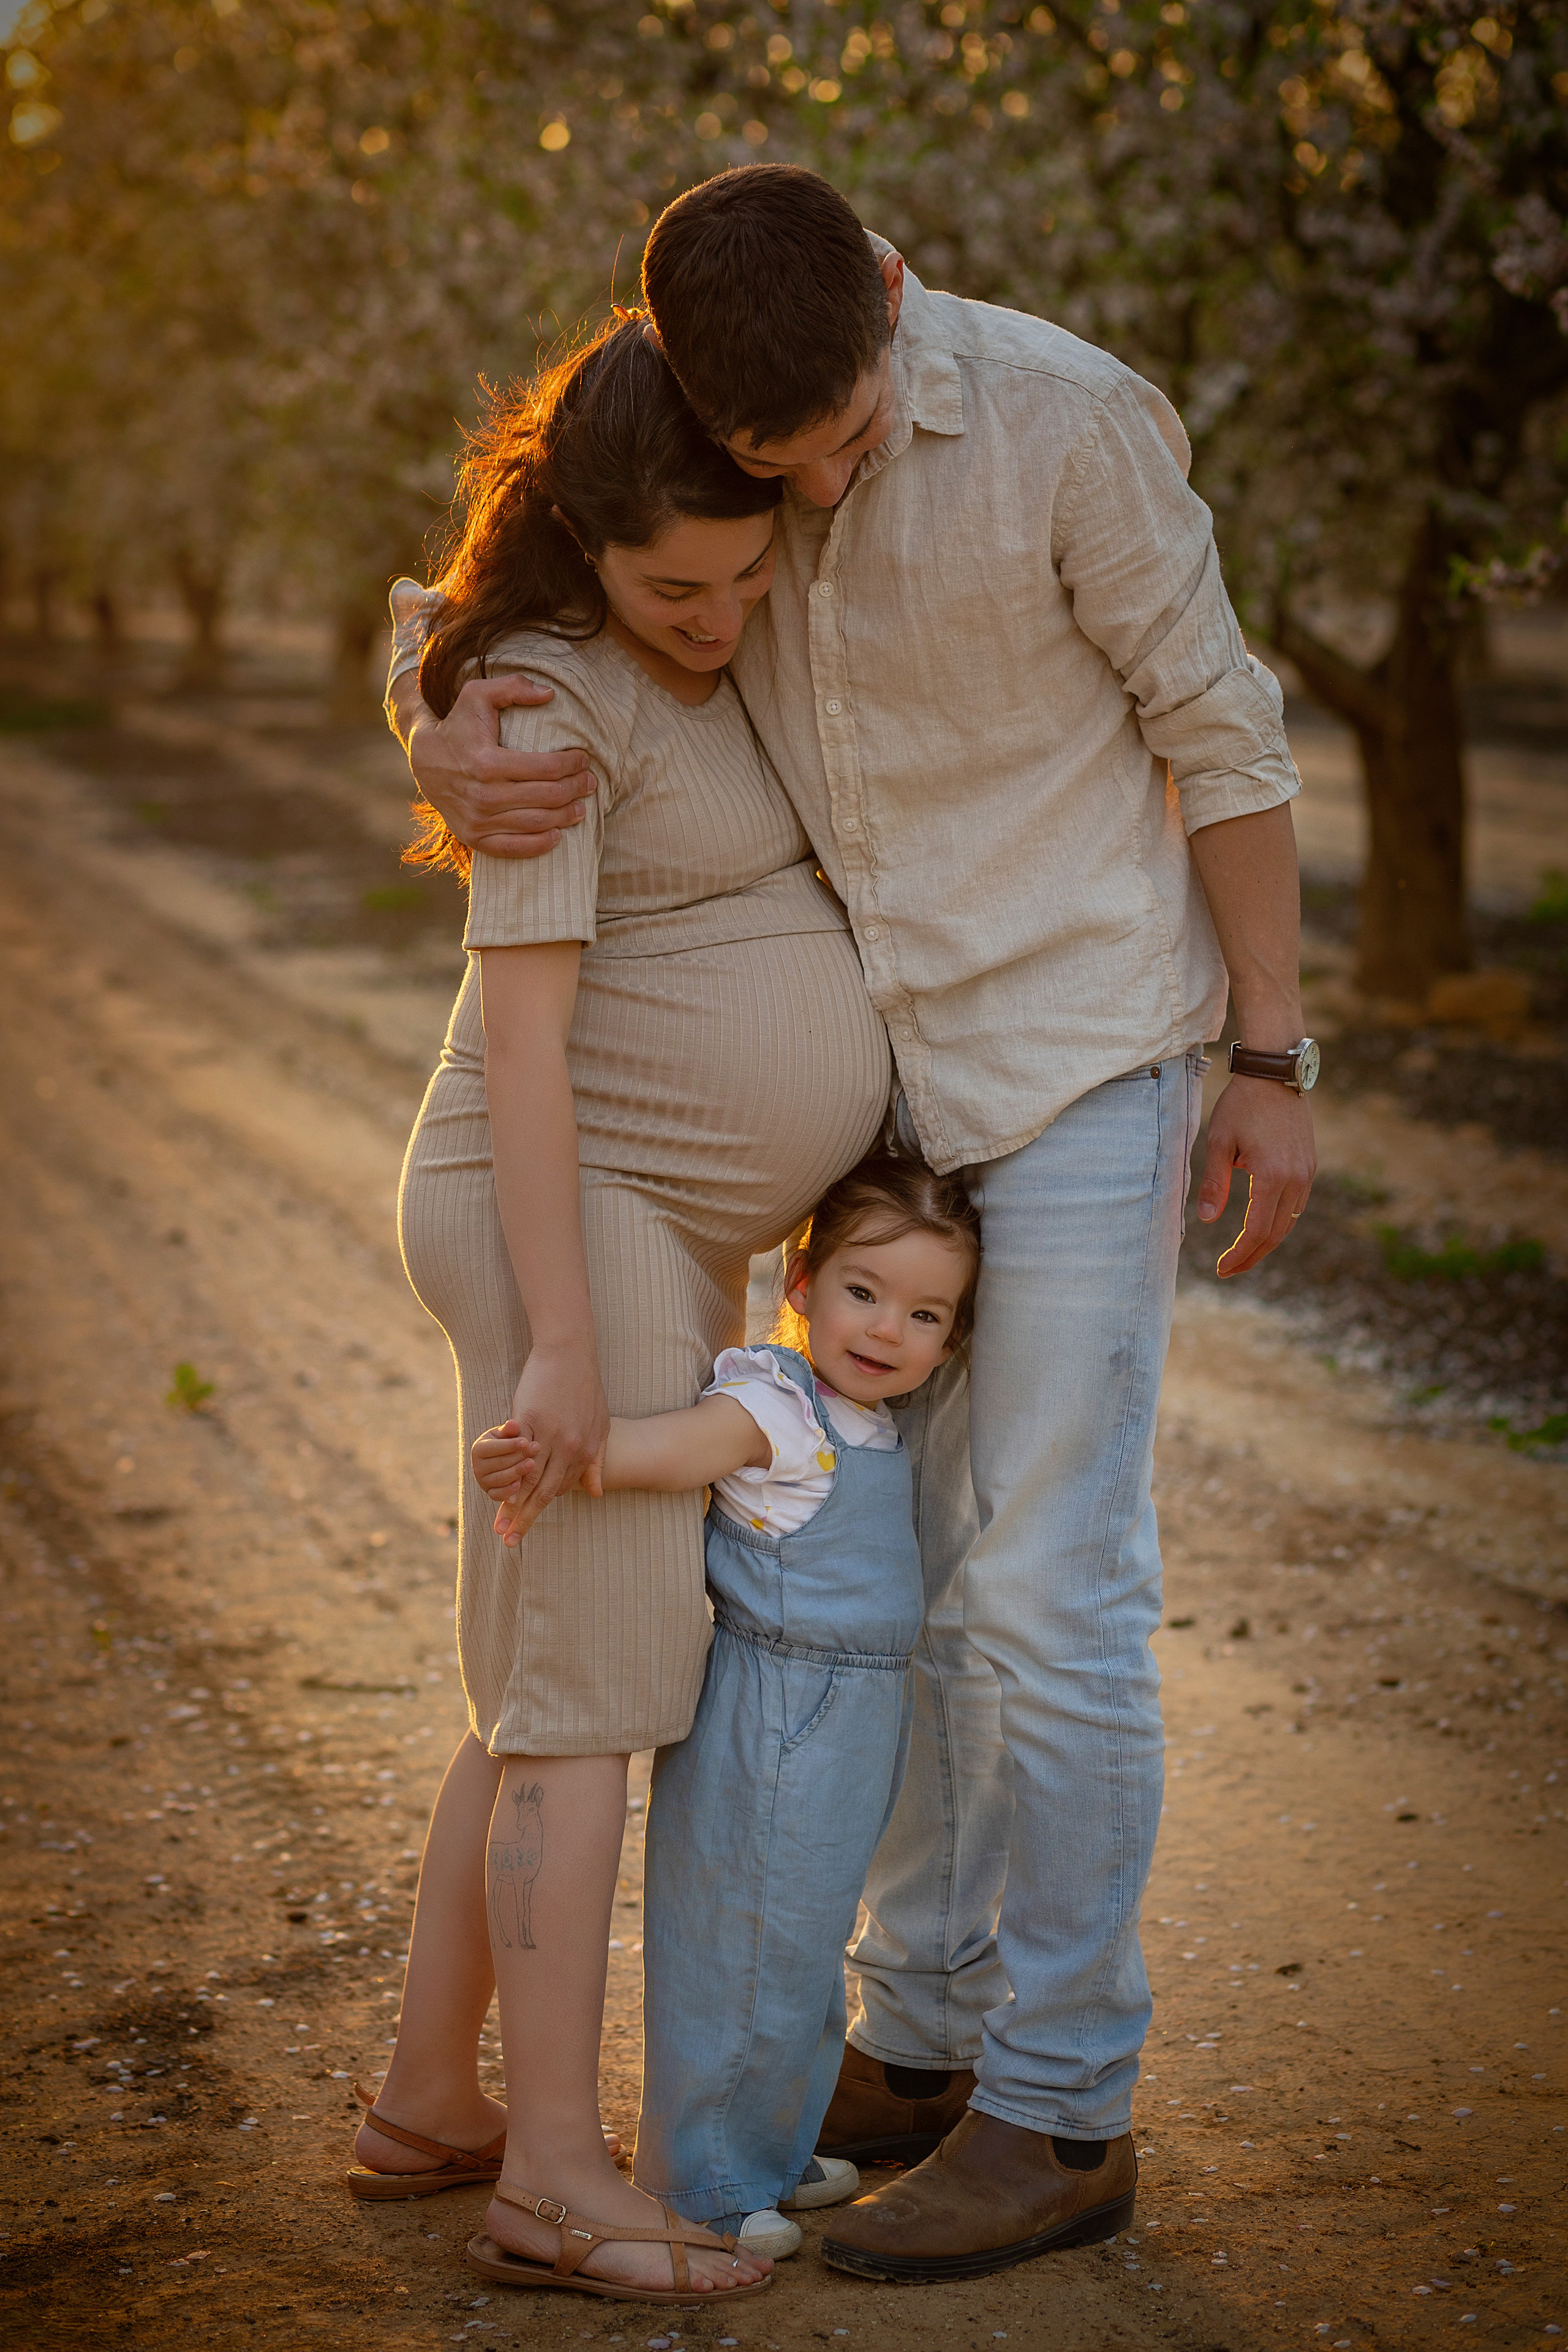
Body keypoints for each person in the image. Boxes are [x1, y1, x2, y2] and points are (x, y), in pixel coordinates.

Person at [385, 164, 1318, 2282]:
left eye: (845, 441)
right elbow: (527, 552)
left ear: (895, 295)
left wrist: (1270, 1058)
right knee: (874, 1564)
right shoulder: (715, 434)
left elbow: (1225, 727)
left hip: (1074, 1045)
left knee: (1046, 1589)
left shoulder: (1068, 422)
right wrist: (432, 696)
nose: (818, 482)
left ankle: (1065, 2101)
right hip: (886, 1113)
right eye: (775, 462)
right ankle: (920, 2035)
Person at [348, 311, 895, 2306]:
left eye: (747, 576)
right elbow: (529, 1044)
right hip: (570, 1223)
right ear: (587, 543)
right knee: (592, 1699)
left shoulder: (625, 628)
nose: (719, 617)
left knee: (550, 1675)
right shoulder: (548, 705)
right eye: (679, 586)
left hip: (646, 1228)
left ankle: (433, 2100)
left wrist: (422, 675)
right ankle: (559, 2182)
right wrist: (572, 1349)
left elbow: (437, 601)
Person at [472, 1150, 981, 2248]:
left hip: (854, 1721)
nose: (889, 1330)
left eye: (925, 1313)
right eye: (863, 1292)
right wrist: (561, 1452)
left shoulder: (870, 1419)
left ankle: (770, 2153)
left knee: (801, 1947)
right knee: (739, 1945)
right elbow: (659, 1453)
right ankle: (703, 2183)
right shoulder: (778, 1405)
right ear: (801, 1283)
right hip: (779, 1714)